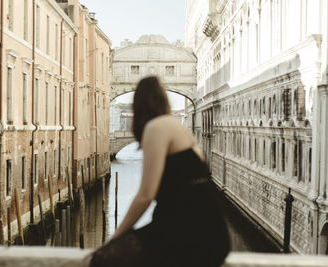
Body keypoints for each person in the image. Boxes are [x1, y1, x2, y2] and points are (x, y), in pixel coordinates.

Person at [89, 76, 230, 267]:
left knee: (103, 260)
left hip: (187, 230)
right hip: (208, 229)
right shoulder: (176, 127)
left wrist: (114, 238)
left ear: (139, 106)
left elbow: (146, 195)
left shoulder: (156, 127)